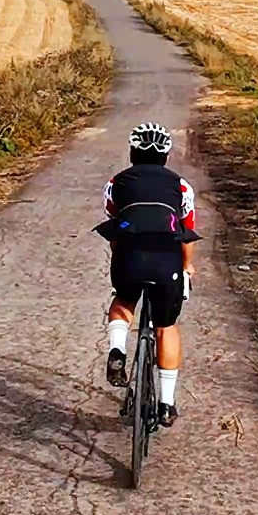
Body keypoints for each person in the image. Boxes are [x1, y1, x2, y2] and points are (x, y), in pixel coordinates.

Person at [94, 121, 198, 427]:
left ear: (132, 153)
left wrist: (121, 257)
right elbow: (186, 231)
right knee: (167, 326)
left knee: (123, 301)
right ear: (167, 155)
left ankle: (117, 350)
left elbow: (115, 222)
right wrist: (187, 266)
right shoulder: (181, 186)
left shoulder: (116, 182)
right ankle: (166, 403)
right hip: (167, 259)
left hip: (130, 255)